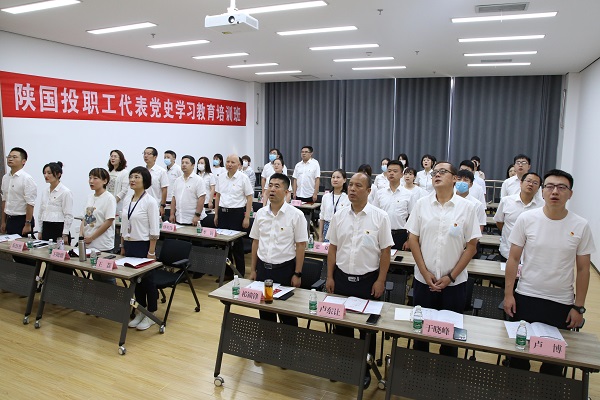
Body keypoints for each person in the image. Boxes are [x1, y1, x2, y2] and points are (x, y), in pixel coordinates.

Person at [504, 169, 595, 375]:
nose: (555, 192)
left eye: (562, 187)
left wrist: (579, 307)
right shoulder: (527, 219)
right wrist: (509, 294)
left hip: (560, 302)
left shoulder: (581, 225)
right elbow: (513, 259)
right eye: (550, 186)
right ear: (543, 191)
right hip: (526, 296)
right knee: (518, 357)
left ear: (570, 194)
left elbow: (583, 269)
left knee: (554, 362)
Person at [326, 172, 394, 389]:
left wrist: (381, 280)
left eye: (358, 186)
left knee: (367, 330)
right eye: (351, 185)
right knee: (342, 327)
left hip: (368, 281)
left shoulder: (380, 217)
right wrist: (330, 276)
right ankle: (346, 365)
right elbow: (333, 248)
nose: (352, 189)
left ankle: (365, 369)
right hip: (342, 278)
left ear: (369, 190)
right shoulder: (339, 216)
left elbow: (385, 251)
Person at [406, 161, 481, 357]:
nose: (437, 175)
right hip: (424, 281)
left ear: (454, 178)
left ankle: (446, 373)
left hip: (454, 284)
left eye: (442, 172)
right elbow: (413, 239)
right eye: (434, 172)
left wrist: (451, 277)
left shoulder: (467, 207)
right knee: (420, 335)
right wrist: (424, 272)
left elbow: (471, 247)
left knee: (449, 339)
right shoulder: (421, 204)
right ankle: (419, 371)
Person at [250, 173, 307, 326]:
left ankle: (290, 341)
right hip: (263, 269)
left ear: (286, 192)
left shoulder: (296, 215)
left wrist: (297, 273)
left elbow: (301, 246)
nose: (272, 189)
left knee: (287, 314)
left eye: (277, 186)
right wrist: (253, 269)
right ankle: (269, 340)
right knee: (265, 311)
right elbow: (255, 242)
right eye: (270, 186)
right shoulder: (261, 214)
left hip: (284, 270)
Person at [122, 167, 160, 331]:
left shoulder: (150, 201)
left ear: (145, 181)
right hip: (129, 244)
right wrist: (122, 245)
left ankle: (151, 313)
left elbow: (154, 229)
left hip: (143, 245)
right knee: (135, 281)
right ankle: (140, 311)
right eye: (131, 177)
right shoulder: (127, 199)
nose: (132, 180)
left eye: (136, 177)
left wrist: (151, 251)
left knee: (147, 281)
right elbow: (124, 224)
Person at [215, 154, 253, 278]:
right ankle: (228, 272)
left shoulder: (243, 178)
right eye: (228, 161)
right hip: (223, 213)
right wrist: (216, 214)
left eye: (232, 162)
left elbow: (249, 197)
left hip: (237, 214)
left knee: (237, 245)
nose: (229, 164)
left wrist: (247, 217)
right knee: (223, 244)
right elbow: (218, 196)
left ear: (238, 165)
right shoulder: (221, 177)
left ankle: (240, 272)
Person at [494, 173, 543, 261]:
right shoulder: (506, 201)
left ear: (539, 188)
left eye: (535, 183)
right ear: (521, 183)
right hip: (508, 251)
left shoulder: (543, 205)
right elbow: (499, 222)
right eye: (528, 181)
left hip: (531, 254)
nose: (531, 184)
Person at [81, 168, 117, 284]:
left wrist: (92, 237)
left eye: (95, 178)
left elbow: (108, 222)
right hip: (89, 243)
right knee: (95, 276)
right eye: (90, 178)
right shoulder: (89, 197)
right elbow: (84, 218)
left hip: (102, 244)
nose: (91, 181)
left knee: (107, 277)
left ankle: (113, 296)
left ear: (105, 181)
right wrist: (82, 235)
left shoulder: (109, 198)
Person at [38, 162, 73, 275]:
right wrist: (40, 230)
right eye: (44, 173)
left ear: (58, 174)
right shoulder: (45, 191)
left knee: (60, 261)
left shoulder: (65, 192)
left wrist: (65, 234)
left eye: (49, 173)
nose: (46, 175)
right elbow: (41, 211)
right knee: (47, 257)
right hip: (47, 226)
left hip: (59, 228)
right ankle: (47, 282)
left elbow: (68, 214)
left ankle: (63, 283)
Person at [373, 160, 413, 250]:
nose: (391, 173)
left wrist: (409, 239)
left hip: (400, 235)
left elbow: (412, 218)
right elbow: (374, 215)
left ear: (401, 174)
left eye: (395, 171)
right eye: (389, 171)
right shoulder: (380, 193)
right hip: (382, 234)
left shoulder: (408, 194)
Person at [1, 147, 37, 237]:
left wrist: (27, 223)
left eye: (14, 157)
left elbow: (30, 203)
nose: (10, 159)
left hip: (22, 220)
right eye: (9, 157)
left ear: (23, 161)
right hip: (9, 219)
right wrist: (3, 221)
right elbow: (4, 200)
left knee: (22, 245)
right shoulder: (5, 178)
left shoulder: (26, 179)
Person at [169, 155, 206, 226]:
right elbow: (174, 198)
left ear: (193, 165)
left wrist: (197, 215)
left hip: (193, 219)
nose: (184, 165)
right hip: (179, 218)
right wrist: (172, 214)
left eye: (186, 163)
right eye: (182, 163)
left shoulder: (198, 180)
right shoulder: (177, 180)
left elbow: (202, 198)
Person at [318, 169, 349, 242]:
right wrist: (320, 236)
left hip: (342, 229)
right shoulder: (326, 197)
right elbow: (322, 217)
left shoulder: (348, 198)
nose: (335, 180)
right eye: (333, 177)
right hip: (327, 228)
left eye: (338, 177)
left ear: (344, 180)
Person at [143, 147, 169, 217]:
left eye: (148, 154)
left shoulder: (161, 171)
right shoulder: (142, 171)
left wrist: (162, 206)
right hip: (142, 205)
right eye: (144, 153)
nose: (146, 156)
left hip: (156, 205)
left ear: (155, 157)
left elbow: (164, 190)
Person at [164, 150, 183, 215]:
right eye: (165, 157)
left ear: (174, 158)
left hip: (174, 199)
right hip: (165, 199)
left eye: (168, 157)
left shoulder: (178, 169)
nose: (166, 159)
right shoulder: (163, 170)